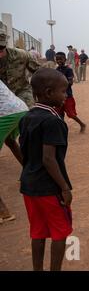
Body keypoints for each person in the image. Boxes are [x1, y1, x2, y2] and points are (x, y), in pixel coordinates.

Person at [19, 68, 73, 271]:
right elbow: (49, 159)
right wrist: (65, 188)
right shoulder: (53, 121)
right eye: (63, 91)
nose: (65, 95)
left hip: (29, 186)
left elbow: (24, 151)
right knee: (60, 232)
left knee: (38, 232)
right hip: (49, 188)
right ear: (49, 92)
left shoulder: (27, 117)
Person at [0, 80, 28, 224]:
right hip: (19, 109)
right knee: (10, 141)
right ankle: (30, 173)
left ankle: (3, 211)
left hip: (4, 114)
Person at [0, 31, 40, 108]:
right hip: (3, 97)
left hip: (21, 91)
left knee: (28, 113)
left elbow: (39, 71)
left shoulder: (21, 55)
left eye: (1, 49)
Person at [55, 52, 87, 133]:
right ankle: (61, 129)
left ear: (65, 59)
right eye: (57, 59)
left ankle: (82, 124)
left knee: (71, 114)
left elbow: (70, 82)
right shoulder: (56, 70)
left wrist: (61, 85)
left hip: (67, 96)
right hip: (58, 96)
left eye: (60, 59)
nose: (59, 61)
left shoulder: (68, 70)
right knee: (59, 113)